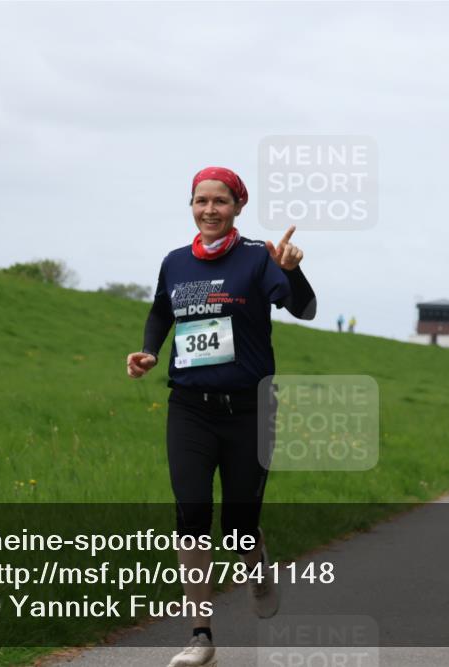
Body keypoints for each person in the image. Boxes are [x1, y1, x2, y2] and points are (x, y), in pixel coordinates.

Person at [126, 167, 316, 667]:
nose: (209, 209)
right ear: (191, 206)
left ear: (237, 206)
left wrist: (292, 270)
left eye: (220, 201)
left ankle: (256, 570)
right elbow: (160, 313)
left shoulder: (257, 257)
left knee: (239, 527)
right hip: (189, 408)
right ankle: (200, 635)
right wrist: (148, 351)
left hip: (250, 410)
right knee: (190, 515)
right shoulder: (175, 262)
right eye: (200, 200)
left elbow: (306, 308)